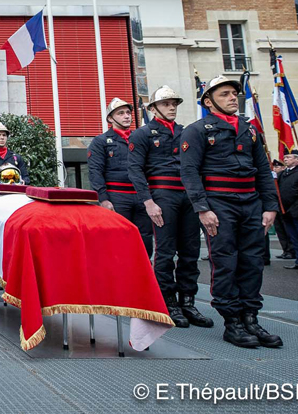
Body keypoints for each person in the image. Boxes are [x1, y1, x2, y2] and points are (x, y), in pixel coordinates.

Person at [180, 76, 282, 349]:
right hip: (219, 202)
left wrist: (270, 206)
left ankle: (250, 318)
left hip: (251, 202)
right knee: (226, 261)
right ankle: (232, 322)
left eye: (234, 93)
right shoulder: (197, 131)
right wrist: (203, 209)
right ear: (208, 101)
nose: (232, 97)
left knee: (253, 261)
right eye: (224, 94)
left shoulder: (250, 130)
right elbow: (189, 172)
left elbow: (263, 170)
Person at [128, 86, 211, 329]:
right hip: (162, 196)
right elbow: (135, 170)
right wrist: (148, 202)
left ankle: (188, 301)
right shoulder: (142, 134)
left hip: (188, 196)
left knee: (190, 251)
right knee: (165, 252)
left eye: (174, 103)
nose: (172, 107)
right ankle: (168, 302)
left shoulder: (187, 132)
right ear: (153, 108)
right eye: (166, 104)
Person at [88, 98, 152, 255]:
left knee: (145, 239)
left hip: (141, 196)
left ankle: (143, 268)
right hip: (117, 197)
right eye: (121, 113)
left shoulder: (140, 138)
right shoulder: (100, 141)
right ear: (110, 118)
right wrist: (103, 199)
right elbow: (95, 171)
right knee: (118, 239)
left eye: (128, 113)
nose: (126, 116)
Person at [271, 159, 295, 260]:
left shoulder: (285, 176)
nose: (275, 169)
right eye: (274, 167)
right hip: (276, 207)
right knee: (280, 230)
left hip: (285, 207)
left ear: (283, 168)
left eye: (277, 167)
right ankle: (285, 250)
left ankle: (292, 250)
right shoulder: (273, 178)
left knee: (288, 230)